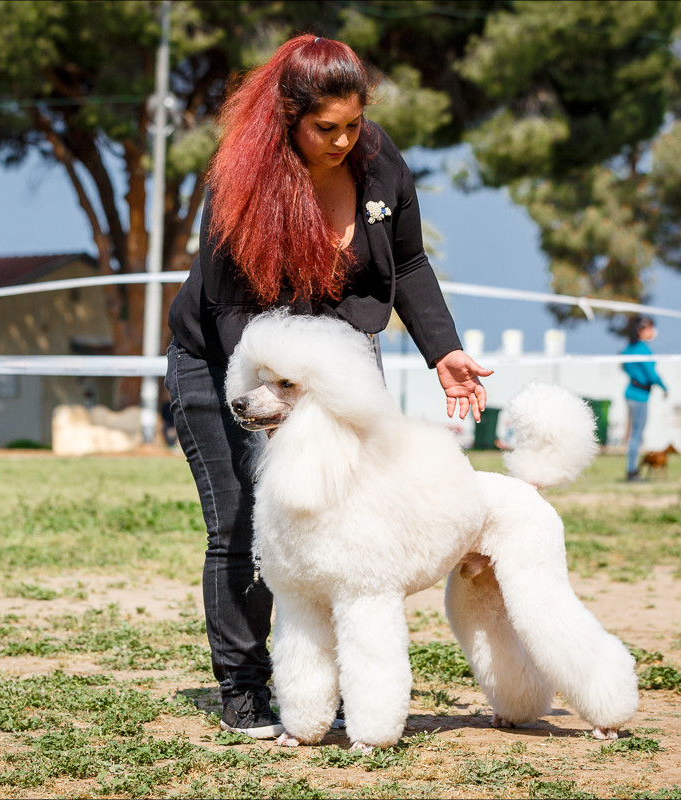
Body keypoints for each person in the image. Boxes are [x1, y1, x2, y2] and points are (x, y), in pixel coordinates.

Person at [164, 34, 492, 739]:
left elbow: (408, 259)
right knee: (248, 518)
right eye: (326, 128)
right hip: (230, 360)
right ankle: (247, 690)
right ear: (288, 116)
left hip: (336, 360)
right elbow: (228, 311)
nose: (345, 140)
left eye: (354, 123)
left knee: (349, 517)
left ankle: (338, 692)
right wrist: (275, 398)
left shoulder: (378, 160)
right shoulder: (239, 180)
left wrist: (445, 351)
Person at [621, 315, 667, 482]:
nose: (653, 332)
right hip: (639, 396)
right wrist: (664, 387)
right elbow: (651, 374)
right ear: (642, 330)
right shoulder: (642, 349)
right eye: (650, 328)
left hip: (631, 393)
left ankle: (633, 470)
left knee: (634, 434)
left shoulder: (629, 348)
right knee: (636, 435)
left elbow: (624, 366)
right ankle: (632, 471)